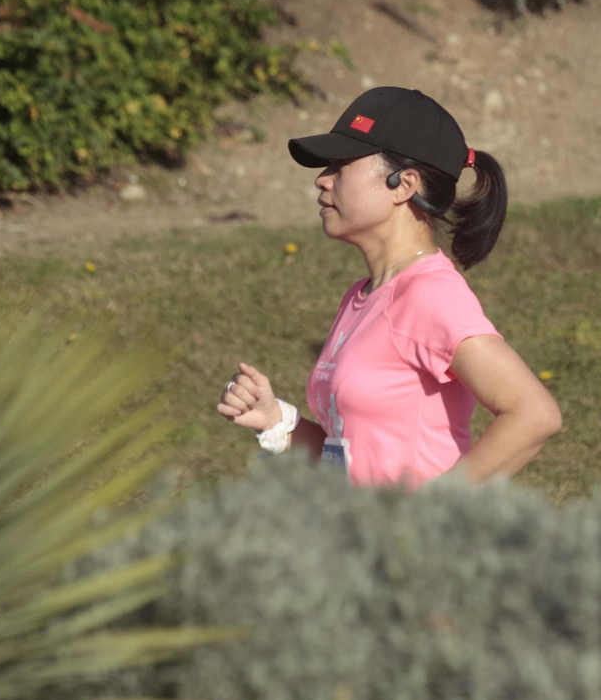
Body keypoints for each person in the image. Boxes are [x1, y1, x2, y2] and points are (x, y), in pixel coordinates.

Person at [216, 86, 561, 488]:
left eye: (341, 165)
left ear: (403, 184)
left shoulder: (430, 296)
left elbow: (534, 415)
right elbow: (352, 452)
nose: (322, 181)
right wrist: (277, 421)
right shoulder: (362, 296)